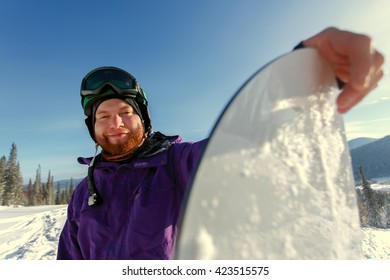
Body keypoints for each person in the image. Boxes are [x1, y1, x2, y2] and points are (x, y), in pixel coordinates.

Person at [57, 27, 384, 260]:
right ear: (92, 129)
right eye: (103, 116)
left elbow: (241, 139)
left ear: (144, 118)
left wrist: (295, 81)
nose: (115, 122)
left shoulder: (175, 163)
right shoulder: (84, 194)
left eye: (126, 111)